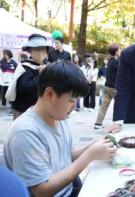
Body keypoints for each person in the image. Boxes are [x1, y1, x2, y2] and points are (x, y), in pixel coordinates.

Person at [3, 61, 117, 197]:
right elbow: (41, 190)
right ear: (49, 94)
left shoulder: (57, 117)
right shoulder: (25, 133)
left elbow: (67, 155)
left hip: (71, 189)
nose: (74, 107)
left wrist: (92, 146)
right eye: (71, 100)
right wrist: (89, 156)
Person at [12, 34, 51, 119]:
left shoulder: (44, 66)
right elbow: (25, 88)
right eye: (37, 49)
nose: (40, 52)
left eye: (43, 49)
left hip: (38, 110)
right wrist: (40, 75)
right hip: (23, 111)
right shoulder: (24, 66)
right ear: (30, 51)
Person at [94, 44, 120, 129]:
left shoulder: (110, 61)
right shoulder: (116, 62)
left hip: (107, 87)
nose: (120, 51)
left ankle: (98, 123)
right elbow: (122, 71)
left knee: (104, 106)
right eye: (119, 50)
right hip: (113, 88)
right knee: (119, 105)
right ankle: (117, 123)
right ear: (116, 52)